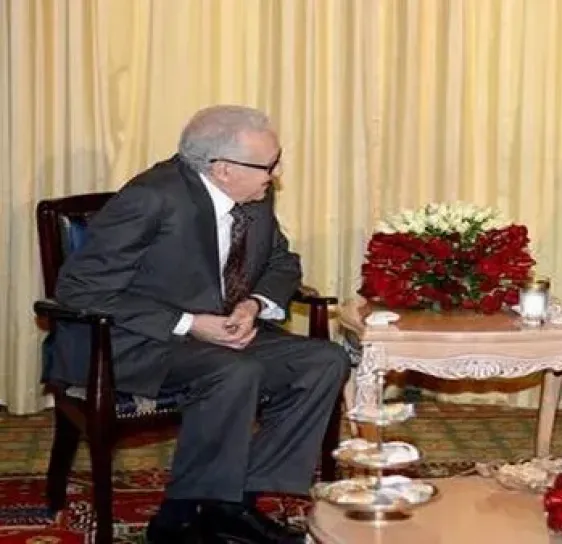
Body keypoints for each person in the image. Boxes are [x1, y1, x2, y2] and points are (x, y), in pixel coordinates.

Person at [50, 105, 350, 543]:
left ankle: (232, 502)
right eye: (269, 165)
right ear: (223, 169)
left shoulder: (254, 196)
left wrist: (253, 305)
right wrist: (189, 322)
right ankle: (184, 521)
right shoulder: (151, 198)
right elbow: (78, 288)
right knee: (233, 371)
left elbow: (282, 262)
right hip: (130, 341)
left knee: (324, 361)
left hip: (215, 335)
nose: (276, 174)